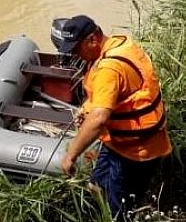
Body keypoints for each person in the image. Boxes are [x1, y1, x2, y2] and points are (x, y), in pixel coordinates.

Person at [51, 15, 172, 220]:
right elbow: (120, 92)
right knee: (95, 186)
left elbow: (99, 119)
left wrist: (71, 155)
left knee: (121, 211)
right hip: (118, 142)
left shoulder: (108, 68)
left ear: (92, 39)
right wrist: (87, 108)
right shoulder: (120, 44)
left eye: (76, 48)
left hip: (135, 150)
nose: (75, 55)